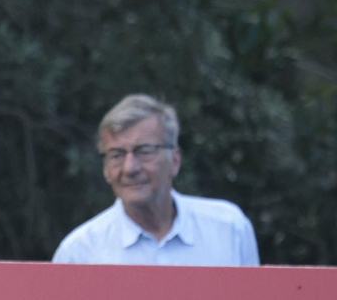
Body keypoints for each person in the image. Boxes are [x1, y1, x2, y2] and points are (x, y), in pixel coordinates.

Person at [53, 94, 258, 265]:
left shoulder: (228, 230)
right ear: (106, 169)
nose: (130, 168)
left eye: (144, 151)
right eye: (116, 155)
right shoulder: (79, 253)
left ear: (175, 161)